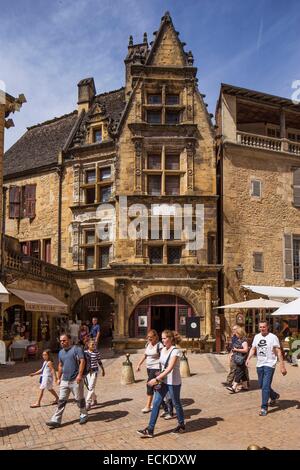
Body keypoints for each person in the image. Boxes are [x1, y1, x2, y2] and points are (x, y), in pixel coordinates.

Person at [137, 329, 185, 438]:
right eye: (162, 338)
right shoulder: (163, 350)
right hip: (163, 381)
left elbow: (170, 368)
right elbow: (163, 366)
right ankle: (150, 429)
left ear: (171, 339)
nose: (162, 340)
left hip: (173, 382)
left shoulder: (175, 351)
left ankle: (181, 424)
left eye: (164, 338)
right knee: (156, 403)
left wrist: (157, 379)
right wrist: (158, 375)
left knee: (176, 402)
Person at [46, 334, 88, 428]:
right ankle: (56, 420)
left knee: (79, 399)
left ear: (69, 340)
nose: (62, 342)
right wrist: (58, 378)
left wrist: (80, 375)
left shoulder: (77, 349)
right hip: (65, 380)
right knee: (61, 400)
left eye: (64, 340)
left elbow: (82, 361)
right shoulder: (60, 352)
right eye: (61, 341)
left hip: (75, 379)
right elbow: (60, 365)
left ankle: (83, 414)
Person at [246, 320, 287, 416]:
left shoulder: (273, 337)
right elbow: (253, 348)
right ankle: (274, 396)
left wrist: (282, 366)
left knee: (265, 386)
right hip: (259, 364)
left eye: (264, 327)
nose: (262, 329)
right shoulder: (257, 337)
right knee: (261, 385)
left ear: (267, 327)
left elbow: (278, 352)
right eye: (260, 327)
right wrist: (248, 358)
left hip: (270, 364)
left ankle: (264, 408)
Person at [136, 329, 163, 413]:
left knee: (149, 385)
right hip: (149, 368)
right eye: (148, 337)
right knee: (156, 386)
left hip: (156, 368)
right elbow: (145, 355)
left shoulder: (160, 345)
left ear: (155, 337)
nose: (149, 339)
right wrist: (139, 364)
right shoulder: (148, 344)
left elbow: (163, 357)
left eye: (151, 337)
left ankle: (148, 406)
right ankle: (160, 402)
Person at [226, 327, 249, 393]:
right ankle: (245, 386)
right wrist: (232, 354)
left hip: (241, 359)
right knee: (243, 373)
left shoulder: (244, 341)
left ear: (240, 333)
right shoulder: (239, 339)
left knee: (238, 372)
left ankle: (234, 387)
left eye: (237, 333)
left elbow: (246, 350)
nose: (236, 334)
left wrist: (236, 350)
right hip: (237, 358)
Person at [85, 339, 105, 410]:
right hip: (87, 373)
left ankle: (88, 403)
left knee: (91, 387)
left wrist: (103, 369)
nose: (94, 346)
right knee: (89, 387)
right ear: (88, 345)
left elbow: (99, 361)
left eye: (94, 344)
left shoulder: (96, 352)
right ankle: (95, 398)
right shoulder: (85, 353)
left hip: (94, 372)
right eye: (92, 344)